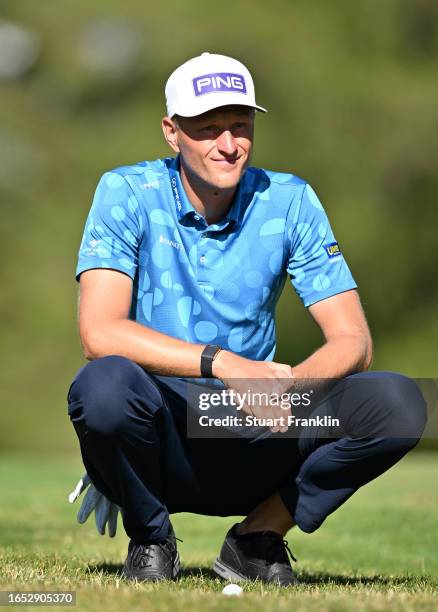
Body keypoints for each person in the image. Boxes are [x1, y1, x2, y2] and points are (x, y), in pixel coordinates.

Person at [67, 52, 427, 586]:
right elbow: (99, 332)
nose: (229, 144)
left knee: (400, 403)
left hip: (253, 430)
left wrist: (289, 390)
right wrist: (225, 365)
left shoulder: (289, 199)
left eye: (240, 126)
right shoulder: (126, 192)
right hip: (163, 434)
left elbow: (353, 339)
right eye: (208, 129)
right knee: (102, 388)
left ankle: (258, 537)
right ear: (172, 133)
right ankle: (151, 537)